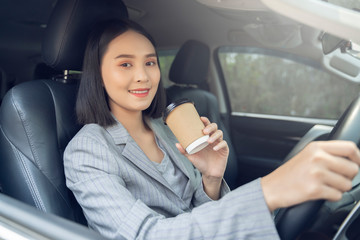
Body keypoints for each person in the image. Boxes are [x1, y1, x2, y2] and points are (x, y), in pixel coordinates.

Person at [64, 18, 360, 240]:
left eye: (150, 62)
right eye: (125, 64)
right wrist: (269, 190)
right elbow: (146, 236)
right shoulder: (87, 151)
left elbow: (195, 210)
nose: (143, 76)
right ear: (98, 74)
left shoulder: (167, 128)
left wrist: (211, 178)